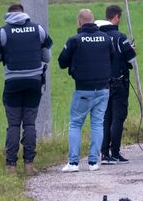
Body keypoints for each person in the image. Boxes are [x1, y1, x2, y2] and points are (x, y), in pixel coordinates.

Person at [0, 4, 53, 176]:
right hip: (34, 83)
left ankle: (11, 167)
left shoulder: (2, 32)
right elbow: (47, 57)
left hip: (13, 84)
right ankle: (29, 165)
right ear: (24, 14)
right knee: (30, 123)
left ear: (8, 15)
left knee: (14, 124)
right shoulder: (38, 29)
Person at [58, 9, 116, 172]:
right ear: (94, 21)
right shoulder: (106, 38)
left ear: (79, 22)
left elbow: (62, 61)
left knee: (76, 124)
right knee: (97, 124)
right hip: (103, 88)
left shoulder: (75, 40)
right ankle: (93, 162)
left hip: (83, 89)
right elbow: (112, 57)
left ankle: (74, 162)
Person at [95, 5, 137, 165]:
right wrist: (131, 49)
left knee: (106, 118)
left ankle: (104, 153)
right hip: (119, 83)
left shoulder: (98, 35)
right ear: (117, 17)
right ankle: (116, 153)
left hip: (102, 83)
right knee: (118, 118)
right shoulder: (120, 37)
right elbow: (131, 59)